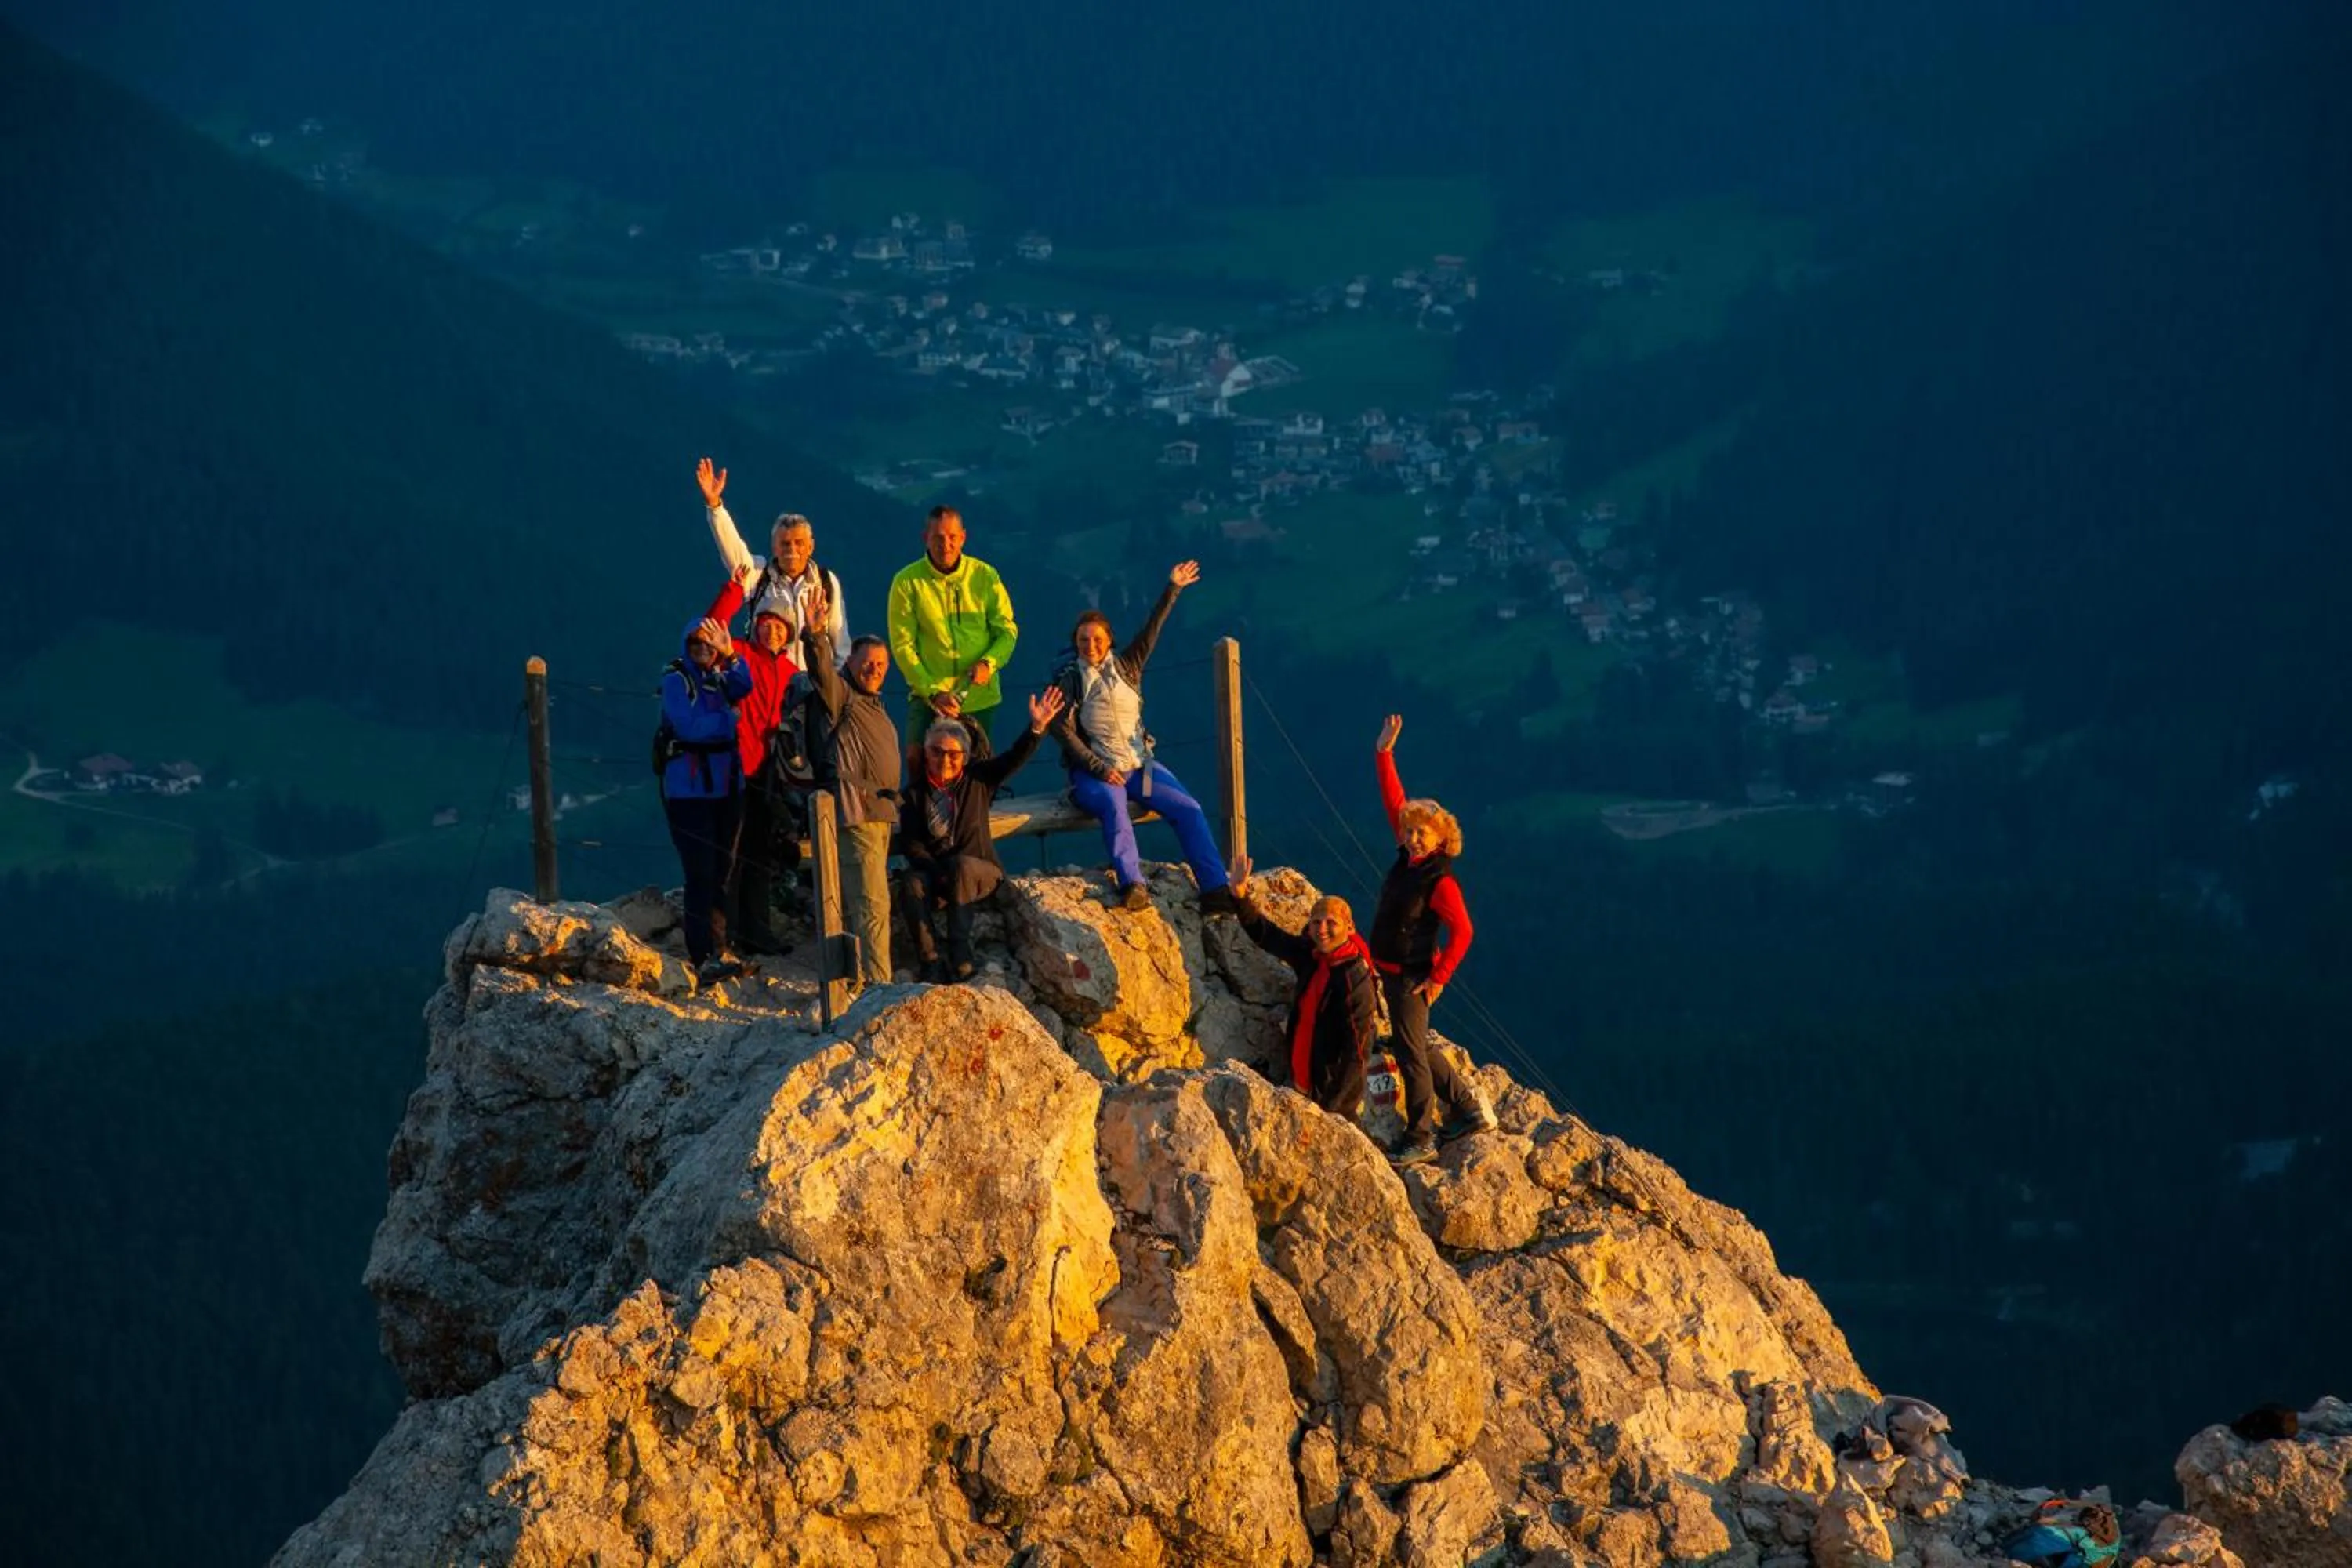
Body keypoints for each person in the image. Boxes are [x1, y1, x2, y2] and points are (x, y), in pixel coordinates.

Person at [1047, 560, 1236, 913]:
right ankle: (1132, 884)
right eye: (1083, 640)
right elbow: (1061, 730)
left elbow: (1153, 628)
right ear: (1075, 643)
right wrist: (1099, 768)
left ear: (1109, 641)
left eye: (1097, 639)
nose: (1090, 645)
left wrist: (1173, 588)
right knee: (1113, 807)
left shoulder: (1128, 666)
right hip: (1093, 772)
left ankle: (1215, 890)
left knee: (1189, 809)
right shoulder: (1071, 679)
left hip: (1138, 765)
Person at [1368, 713, 1493, 1165]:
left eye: (1423, 833)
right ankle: (1466, 1107)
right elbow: (1394, 802)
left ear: (1443, 840)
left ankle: (1420, 1135)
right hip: (1394, 971)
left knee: (1411, 1056)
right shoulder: (1410, 859)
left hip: (1411, 977)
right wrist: (1384, 753)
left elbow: (1464, 932)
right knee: (1414, 1045)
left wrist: (1439, 978)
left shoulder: (1440, 882)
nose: (1413, 837)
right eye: (1410, 831)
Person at [896, 686, 1065, 982]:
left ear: (964, 756)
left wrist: (1036, 728)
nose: (944, 760)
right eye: (936, 752)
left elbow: (1013, 758)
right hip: (941, 876)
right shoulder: (914, 794)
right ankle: (930, 960)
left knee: (961, 865)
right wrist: (937, 873)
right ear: (926, 753)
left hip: (980, 873)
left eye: (953, 754)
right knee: (911, 882)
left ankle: (961, 954)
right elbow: (913, 845)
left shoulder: (979, 779)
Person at [802, 585, 902, 991]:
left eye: (881, 664)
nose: (874, 670)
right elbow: (821, 673)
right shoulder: (841, 695)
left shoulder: (871, 702)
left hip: (878, 816)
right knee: (872, 904)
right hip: (856, 812)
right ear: (851, 663)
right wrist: (816, 636)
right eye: (867, 663)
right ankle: (878, 988)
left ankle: (860, 983)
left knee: (867, 902)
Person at [1226, 853, 1377, 1118]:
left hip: (1330, 1098)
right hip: (1302, 1083)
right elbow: (1268, 936)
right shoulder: (1312, 954)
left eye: (1332, 923)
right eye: (1317, 922)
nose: (1322, 929)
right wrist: (1240, 897)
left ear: (1350, 928)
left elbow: (1357, 1053)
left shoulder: (1355, 981)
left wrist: (1331, 1110)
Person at [702, 564, 800, 956]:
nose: (772, 630)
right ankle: (722, 936)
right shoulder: (737, 653)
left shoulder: (792, 671)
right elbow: (710, 629)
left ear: (789, 634)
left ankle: (756, 932)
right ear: (755, 626)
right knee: (730, 853)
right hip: (734, 769)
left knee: (759, 853)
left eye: (780, 626)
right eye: (766, 623)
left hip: (770, 774)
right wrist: (733, 590)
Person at [657, 614, 755, 984]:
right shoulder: (676, 680)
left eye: (709, 643)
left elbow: (745, 685)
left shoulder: (718, 676)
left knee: (723, 869)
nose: (703, 649)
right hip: (689, 791)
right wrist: (728, 720)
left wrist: (731, 654)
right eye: (696, 643)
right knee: (700, 872)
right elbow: (688, 727)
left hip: (725, 788)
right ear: (686, 645)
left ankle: (719, 947)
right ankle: (702, 955)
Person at [697, 456, 850, 675]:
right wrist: (715, 506)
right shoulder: (759, 576)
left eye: (799, 543)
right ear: (774, 547)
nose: (792, 549)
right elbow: (733, 551)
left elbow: (839, 640)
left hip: (815, 687)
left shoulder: (826, 582)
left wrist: (837, 686)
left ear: (811, 547)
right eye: (785, 543)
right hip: (767, 686)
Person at [886, 504, 1018, 749]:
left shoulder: (985, 575)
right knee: (917, 757)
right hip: (928, 697)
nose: (945, 545)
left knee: (979, 765)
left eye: (952, 537)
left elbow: (1007, 632)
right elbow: (903, 645)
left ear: (963, 538)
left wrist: (989, 663)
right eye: (938, 538)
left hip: (979, 697)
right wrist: (934, 693)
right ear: (925, 538)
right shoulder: (906, 582)